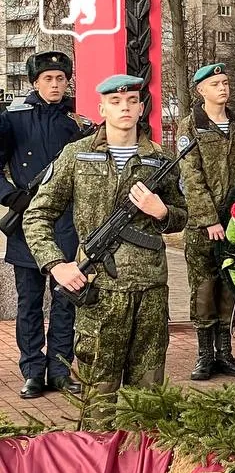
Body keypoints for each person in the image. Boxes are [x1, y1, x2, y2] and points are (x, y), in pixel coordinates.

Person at [23, 74, 187, 408]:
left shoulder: (160, 159)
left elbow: (182, 215)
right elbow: (36, 215)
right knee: (98, 398)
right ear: (102, 109)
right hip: (99, 292)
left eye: (131, 101)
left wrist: (162, 212)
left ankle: (141, 445)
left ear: (141, 108)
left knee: (147, 398)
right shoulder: (77, 155)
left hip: (150, 291)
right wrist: (56, 264)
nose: (124, 107)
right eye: (115, 102)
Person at [0, 51, 93, 399]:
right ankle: (32, 371)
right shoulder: (13, 117)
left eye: (61, 79)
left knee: (65, 300)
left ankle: (60, 370)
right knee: (29, 303)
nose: (55, 85)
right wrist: (10, 196)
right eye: (48, 79)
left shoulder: (78, 120)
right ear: (35, 82)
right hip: (28, 221)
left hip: (67, 222)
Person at [176, 63, 235, 381]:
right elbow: (191, 178)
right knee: (204, 289)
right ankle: (205, 355)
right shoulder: (190, 126)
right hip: (202, 227)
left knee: (229, 287)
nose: (223, 88)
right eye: (215, 84)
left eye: (225, 83)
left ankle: (225, 353)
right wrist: (209, 219)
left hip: (234, 223)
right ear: (201, 90)